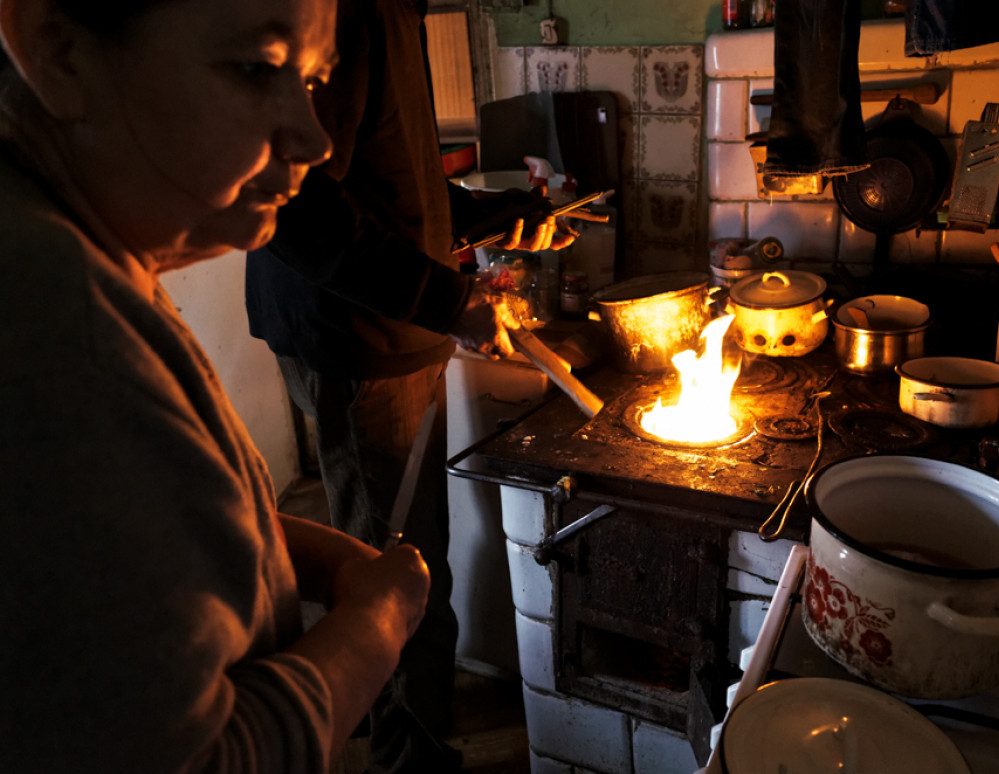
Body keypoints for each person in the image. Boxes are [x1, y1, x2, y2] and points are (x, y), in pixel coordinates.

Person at [0, 0, 432, 771]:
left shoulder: (86, 253)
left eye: (313, 81)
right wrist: (377, 623)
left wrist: (280, 542)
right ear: (57, 50)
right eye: (258, 70)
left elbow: (132, 526)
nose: (313, 136)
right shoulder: (51, 325)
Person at [243, 0, 573, 771]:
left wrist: (499, 216)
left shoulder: (395, 13)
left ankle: (394, 723)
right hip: (358, 336)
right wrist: (447, 301)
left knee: (397, 547)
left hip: (378, 327)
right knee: (397, 569)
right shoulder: (358, 12)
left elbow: (393, 190)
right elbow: (296, 207)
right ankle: (407, 751)